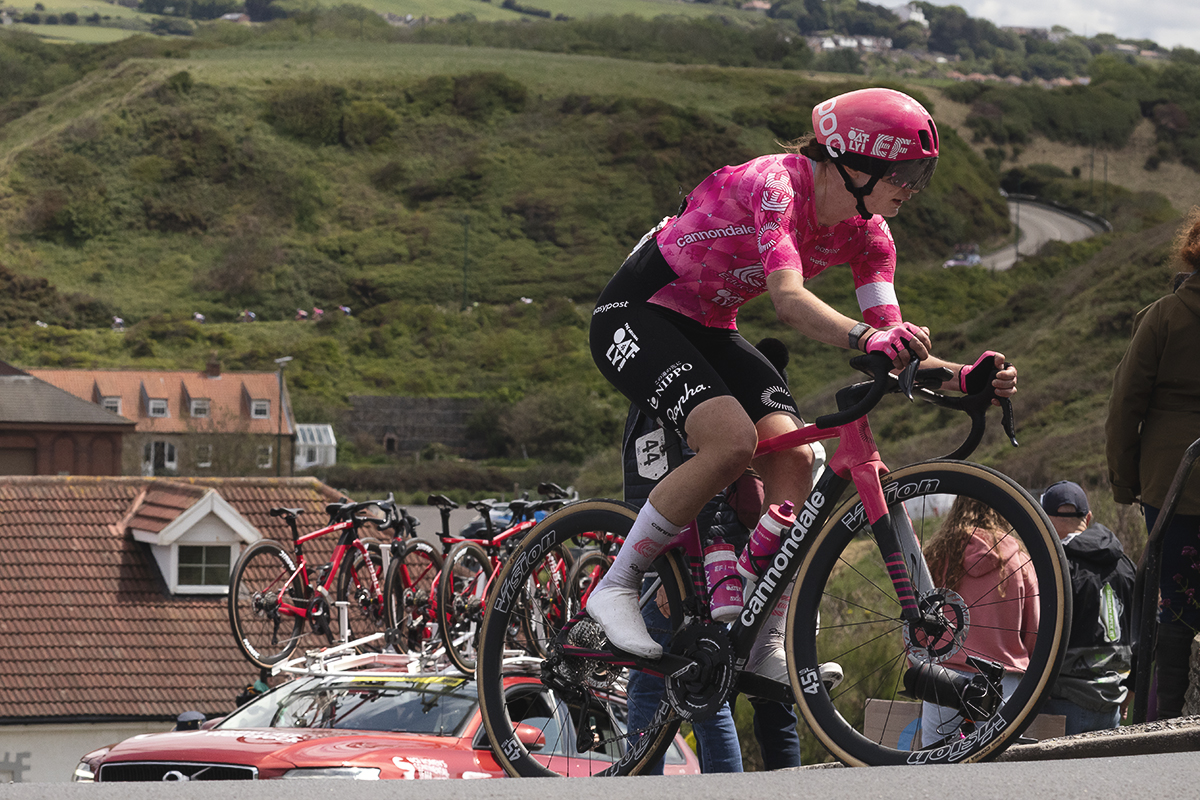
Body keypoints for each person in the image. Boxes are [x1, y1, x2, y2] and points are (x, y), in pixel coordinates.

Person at [585, 87, 1019, 670]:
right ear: (858, 161)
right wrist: (868, 339)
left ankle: (757, 629)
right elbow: (789, 302)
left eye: (924, 175)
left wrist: (962, 376)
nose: (914, 189)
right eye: (908, 172)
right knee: (732, 441)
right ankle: (616, 584)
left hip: (709, 324)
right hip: (639, 312)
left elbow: (891, 339)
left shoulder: (871, 235)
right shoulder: (777, 186)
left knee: (798, 460)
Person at [1106, 208, 1200, 720]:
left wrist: (1125, 481)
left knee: (1176, 604)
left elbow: (1126, 405)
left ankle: (1163, 721)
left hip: (1172, 484)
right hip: (1174, 480)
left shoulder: (1164, 315)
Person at [919, 497, 1039, 745]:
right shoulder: (1020, 561)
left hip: (945, 675)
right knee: (1000, 764)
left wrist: (919, 672)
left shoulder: (937, 555)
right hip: (1004, 678)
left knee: (934, 763)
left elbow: (918, 622)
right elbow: (1035, 630)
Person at [1037, 481, 1135, 734]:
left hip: (1061, 702)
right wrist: (1131, 688)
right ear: (1088, 517)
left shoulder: (1056, 566)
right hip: (1113, 704)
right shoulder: (1126, 564)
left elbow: (1038, 633)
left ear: (1043, 519)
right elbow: (1148, 630)